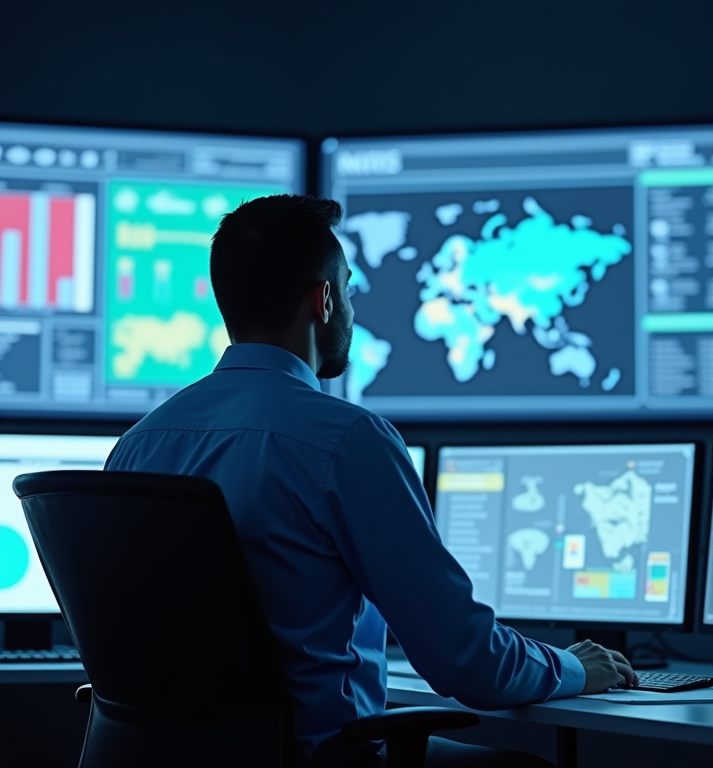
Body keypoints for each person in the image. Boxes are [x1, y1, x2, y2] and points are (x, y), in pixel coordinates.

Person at [105, 194, 637, 768]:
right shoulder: (344, 440)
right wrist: (578, 666)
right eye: (351, 290)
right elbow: (464, 661)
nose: (353, 310)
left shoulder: (138, 444)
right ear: (325, 299)